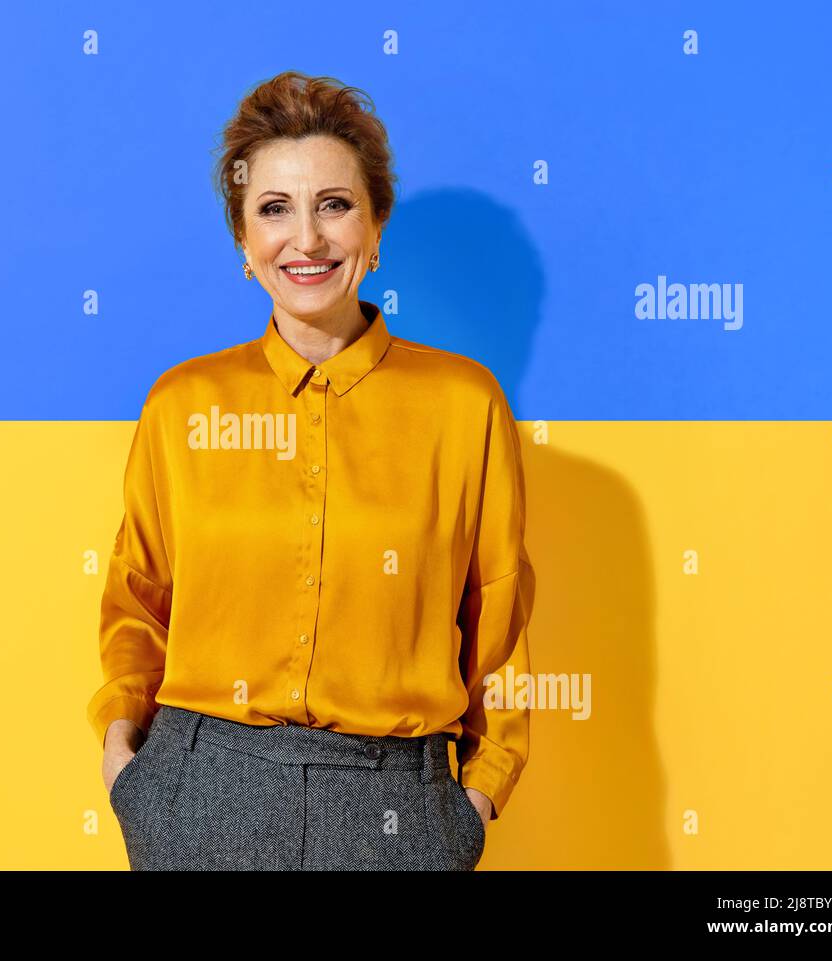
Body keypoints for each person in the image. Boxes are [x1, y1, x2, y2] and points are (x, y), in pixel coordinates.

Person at [86, 70, 535, 870]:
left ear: (377, 222)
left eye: (334, 204)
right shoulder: (184, 403)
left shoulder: (465, 404)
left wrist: (477, 795)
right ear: (241, 239)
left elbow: (497, 617)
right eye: (274, 209)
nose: (307, 239)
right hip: (200, 796)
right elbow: (137, 597)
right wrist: (127, 753)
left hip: (401, 806)